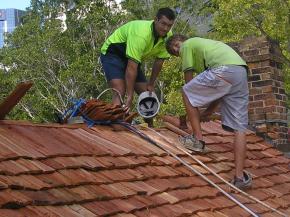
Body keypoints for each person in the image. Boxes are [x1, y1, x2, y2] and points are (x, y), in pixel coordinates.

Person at [165, 34, 253, 191]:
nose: (178, 49)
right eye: (175, 50)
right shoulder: (205, 48)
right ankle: (240, 178)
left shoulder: (188, 45)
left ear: (183, 41)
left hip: (224, 69)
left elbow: (189, 83)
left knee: (186, 92)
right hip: (240, 71)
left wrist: (193, 103)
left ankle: (197, 140)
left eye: (177, 45)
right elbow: (221, 88)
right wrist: (210, 109)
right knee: (240, 127)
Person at [100, 8, 175, 127]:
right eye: (163, 24)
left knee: (146, 93)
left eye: (169, 26)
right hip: (113, 53)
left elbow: (159, 61)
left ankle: (151, 129)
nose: (165, 29)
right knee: (119, 91)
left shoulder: (167, 36)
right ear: (156, 20)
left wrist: (151, 83)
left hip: (131, 58)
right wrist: (130, 96)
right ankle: (113, 125)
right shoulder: (141, 34)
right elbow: (131, 68)